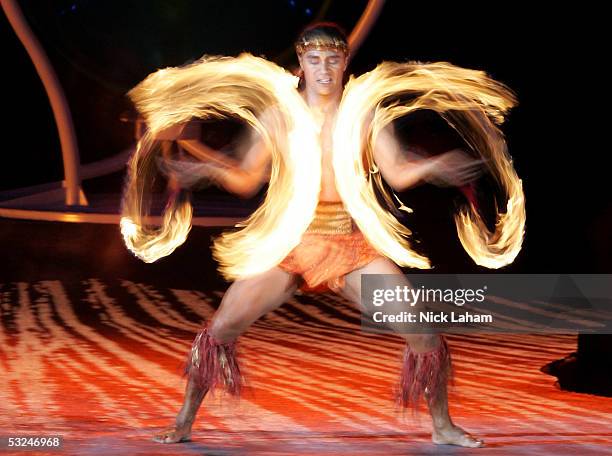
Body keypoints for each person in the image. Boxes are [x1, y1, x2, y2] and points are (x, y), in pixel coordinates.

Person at [135, 23, 491, 447]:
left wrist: (434, 166)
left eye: (333, 59)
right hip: (291, 242)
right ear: (301, 64)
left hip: (351, 245)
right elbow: (247, 177)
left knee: (422, 332)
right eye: (314, 60)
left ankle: (443, 426)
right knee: (223, 327)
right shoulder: (280, 116)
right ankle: (183, 421)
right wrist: (206, 165)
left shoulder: (363, 116)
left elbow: (395, 171)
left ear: (345, 64)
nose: (324, 68)